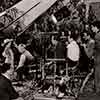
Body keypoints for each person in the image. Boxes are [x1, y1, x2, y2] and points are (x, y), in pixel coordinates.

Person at [91, 21, 100, 94]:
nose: (92, 29)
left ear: (96, 27)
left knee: (97, 73)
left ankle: (97, 90)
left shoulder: (97, 36)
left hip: (98, 57)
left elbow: (97, 47)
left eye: (92, 27)